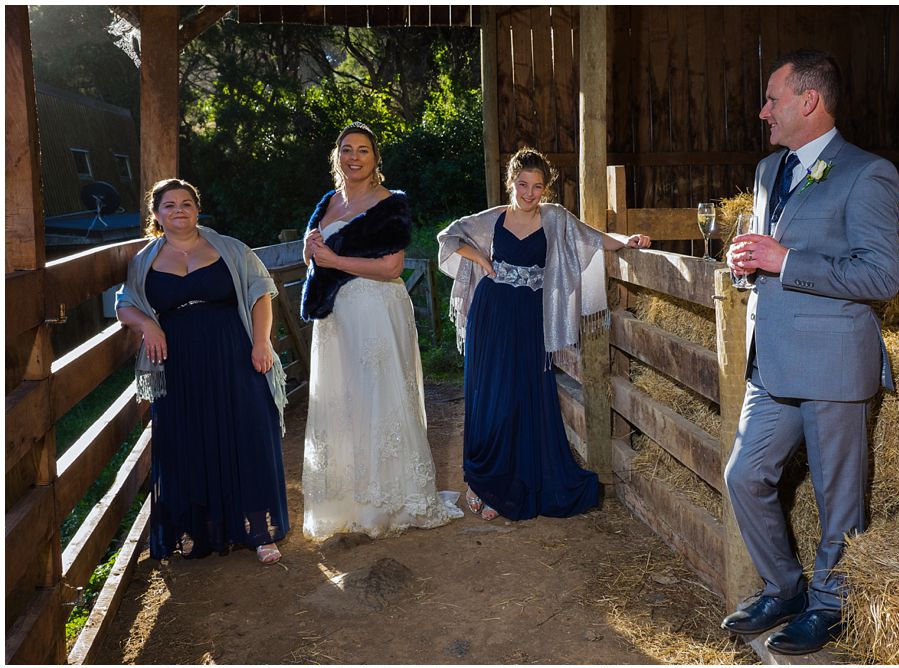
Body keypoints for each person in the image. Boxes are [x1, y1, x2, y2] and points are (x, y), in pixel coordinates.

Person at [722, 49, 899, 654]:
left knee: (837, 500)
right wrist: (746, 265)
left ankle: (830, 606)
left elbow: (881, 277)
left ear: (809, 102)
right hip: (770, 360)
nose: (763, 110)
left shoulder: (868, 173)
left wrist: (785, 261)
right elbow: (765, 251)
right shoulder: (769, 171)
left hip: (832, 364)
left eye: (772, 99)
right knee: (744, 476)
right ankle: (785, 586)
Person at [438, 148, 651, 521]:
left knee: (523, 397)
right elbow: (449, 237)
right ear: (511, 183)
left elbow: (593, 237)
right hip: (492, 316)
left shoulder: (555, 219)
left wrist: (626, 240)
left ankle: (515, 481)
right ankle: (481, 481)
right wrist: (483, 260)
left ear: (545, 189)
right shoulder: (494, 218)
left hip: (528, 320)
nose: (529, 193)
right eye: (523, 184)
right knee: (491, 396)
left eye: (537, 187)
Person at [299, 123, 462, 538]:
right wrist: (313, 254)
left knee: (379, 397)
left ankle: (386, 502)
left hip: (375, 308)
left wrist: (334, 262)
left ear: (376, 160)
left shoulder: (390, 204)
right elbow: (315, 256)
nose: (354, 157)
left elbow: (391, 266)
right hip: (336, 318)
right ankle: (349, 499)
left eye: (363, 151)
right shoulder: (327, 202)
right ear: (336, 156)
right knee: (344, 400)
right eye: (346, 149)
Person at [116, 178, 289, 564]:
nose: (179, 210)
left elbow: (261, 292)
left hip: (234, 352)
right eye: (169, 205)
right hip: (178, 363)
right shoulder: (144, 261)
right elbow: (124, 304)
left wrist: (262, 342)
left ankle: (260, 532)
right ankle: (202, 530)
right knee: (189, 440)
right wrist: (148, 324)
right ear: (156, 215)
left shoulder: (229, 248)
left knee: (247, 433)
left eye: (186, 203)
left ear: (197, 208)